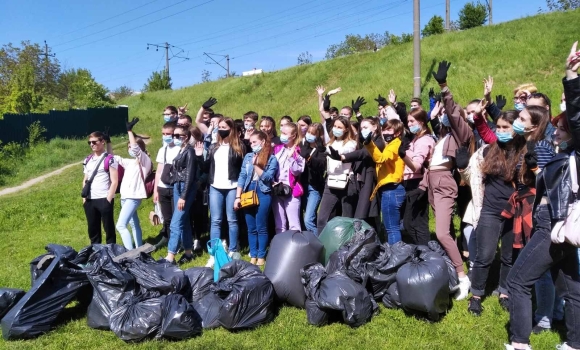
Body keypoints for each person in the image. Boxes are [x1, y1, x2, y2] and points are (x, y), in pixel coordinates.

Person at [506, 42, 580, 350]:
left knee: (518, 282)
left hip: (552, 223)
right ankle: (574, 343)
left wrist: (571, 75)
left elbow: (572, 118)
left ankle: (519, 342)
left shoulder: (566, 152)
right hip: (559, 223)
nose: (556, 131)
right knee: (574, 289)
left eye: (560, 129)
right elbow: (533, 140)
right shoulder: (556, 152)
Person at [457, 106, 527, 316]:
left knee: (508, 255)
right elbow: (473, 178)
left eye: (505, 127)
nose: (500, 130)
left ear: (516, 129)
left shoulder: (524, 152)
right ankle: (476, 295)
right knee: (484, 255)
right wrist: (462, 168)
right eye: (498, 126)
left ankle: (504, 292)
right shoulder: (488, 150)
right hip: (489, 209)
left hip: (514, 212)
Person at [419, 60, 473, 300]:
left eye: (446, 115)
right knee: (446, 230)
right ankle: (450, 270)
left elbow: (451, 112)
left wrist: (444, 86)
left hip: (443, 182)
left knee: (441, 233)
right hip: (433, 181)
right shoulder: (444, 136)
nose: (442, 116)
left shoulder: (462, 132)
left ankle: (463, 277)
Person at [204, 117, 246, 267]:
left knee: (232, 220)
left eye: (224, 127)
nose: (221, 129)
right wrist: (200, 154)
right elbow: (205, 166)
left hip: (232, 187)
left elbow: (243, 170)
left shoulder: (239, 146)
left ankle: (233, 250)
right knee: (215, 221)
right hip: (215, 187)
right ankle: (214, 254)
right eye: (219, 126)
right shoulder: (214, 147)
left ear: (231, 129)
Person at [159, 124, 202, 265]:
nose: (175, 138)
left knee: (175, 223)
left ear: (186, 137)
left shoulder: (189, 151)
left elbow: (189, 176)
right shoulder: (181, 150)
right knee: (184, 221)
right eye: (174, 135)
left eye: (178, 136)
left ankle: (170, 256)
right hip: (177, 186)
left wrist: (183, 196)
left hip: (185, 188)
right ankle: (188, 252)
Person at [234, 131, 279, 265]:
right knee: (251, 226)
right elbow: (242, 177)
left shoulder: (271, 158)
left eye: (254, 142)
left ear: (263, 142)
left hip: (263, 191)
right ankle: (253, 255)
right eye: (251, 142)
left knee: (261, 226)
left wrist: (256, 165)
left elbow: (268, 178)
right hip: (248, 191)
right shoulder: (248, 156)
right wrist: (238, 196)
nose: (252, 145)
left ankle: (261, 255)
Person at [361, 118, 406, 244]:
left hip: (392, 189)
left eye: (389, 130)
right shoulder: (391, 144)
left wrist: (369, 144)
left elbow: (381, 158)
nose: (386, 133)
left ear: (397, 132)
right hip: (390, 189)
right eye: (384, 129)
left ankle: (396, 258)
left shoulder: (395, 145)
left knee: (391, 228)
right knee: (392, 227)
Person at [335, 117, 383, 234]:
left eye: (365, 127)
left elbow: (363, 154)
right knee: (366, 216)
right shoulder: (363, 142)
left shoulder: (379, 142)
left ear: (375, 127)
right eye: (361, 128)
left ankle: (372, 243)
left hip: (371, 181)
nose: (363, 130)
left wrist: (344, 157)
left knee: (363, 215)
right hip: (361, 181)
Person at [114, 118, 152, 250]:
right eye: (128, 147)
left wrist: (129, 131)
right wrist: (107, 142)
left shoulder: (145, 161)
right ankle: (139, 249)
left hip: (133, 197)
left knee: (120, 225)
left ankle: (130, 253)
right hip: (125, 197)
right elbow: (113, 157)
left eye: (132, 146)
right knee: (133, 224)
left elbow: (136, 149)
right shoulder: (130, 162)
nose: (130, 148)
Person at [316, 116, 358, 234]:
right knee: (322, 219)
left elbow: (345, 152)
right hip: (331, 181)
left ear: (346, 129)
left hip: (347, 183)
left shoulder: (351, 143)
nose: (336, 129)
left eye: (340, 127)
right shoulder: (331, 142)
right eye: (335, 126)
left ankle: (348, 248)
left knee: (347, 219)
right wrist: (323, 149)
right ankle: (322, 246)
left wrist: (328, 151)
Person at [402, 109, 435, 245]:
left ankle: (425, 253)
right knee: (411, 222)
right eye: (408, 121)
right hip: (411, 181)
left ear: (421, 122)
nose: (409, 124)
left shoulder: (424, 140)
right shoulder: (416, 138)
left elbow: (416, 165)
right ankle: (420, 251)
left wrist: (403, 154)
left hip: (419, 183)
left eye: (412, 121)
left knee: (416, 222)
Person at [82, 131, 119, 244]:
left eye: (94, 142)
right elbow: (85, 179)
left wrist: (108, 199)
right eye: (89, 142)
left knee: (108, 228)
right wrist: (84, 199)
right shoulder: (87, 160)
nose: (92, 144)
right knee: (93, 229)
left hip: (104, 198)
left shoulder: (109, 159)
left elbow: (114, 181)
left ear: (102, 142)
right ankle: (95, 253)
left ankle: (111, 252)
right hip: (90, 199)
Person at [272, 123, 305, 233]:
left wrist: (291, 158)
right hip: (277, 189)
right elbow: (271, 168)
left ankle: (296, 248)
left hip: (291, 191)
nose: (283, 136)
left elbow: (296, 172)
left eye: (285, 134)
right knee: (279, 224)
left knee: (294, 225)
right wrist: (273, 181)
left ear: (293, 136)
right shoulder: (277, 149)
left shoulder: (298, 151)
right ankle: (280, 247)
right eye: (282, 133)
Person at [153, 121, 180, 250]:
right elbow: (158, 171)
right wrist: (155, 191)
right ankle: (170, 243)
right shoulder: (162, 150)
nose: (165, 136)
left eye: (168, 134)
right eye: (163, 134)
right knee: (167, 219)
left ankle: (180, 243)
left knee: (177, 219)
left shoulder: (180, 149)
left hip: (176, 187)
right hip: (163, 187)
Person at [299, 123, 327, 233]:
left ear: (319, 135)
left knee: (308, 220)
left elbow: (320, 166)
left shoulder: (322, 150)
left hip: (314, 187)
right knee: (308, 218)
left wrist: (308, 158)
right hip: (302, 186)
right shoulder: (303, 146)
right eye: (308, 132)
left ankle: (318, 244)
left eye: (313, 133)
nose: (309, 135)